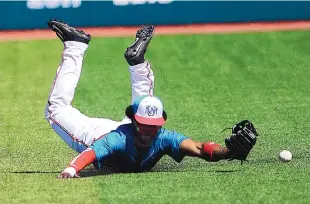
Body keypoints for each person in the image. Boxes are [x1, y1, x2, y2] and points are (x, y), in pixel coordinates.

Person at [45, 19, 259, 179]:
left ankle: (134, 62)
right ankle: (76, 46)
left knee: (147, 104)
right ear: (135, 122)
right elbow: (91, 153)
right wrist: (71, 169)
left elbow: (200, 149)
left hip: (128, 126)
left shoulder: (163, 137)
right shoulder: (117, 139)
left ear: (160, 125)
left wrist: (227, 151)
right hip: (95, 134)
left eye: (153, 127)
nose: (149, 133)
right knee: (55, 110)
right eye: (146, 127)